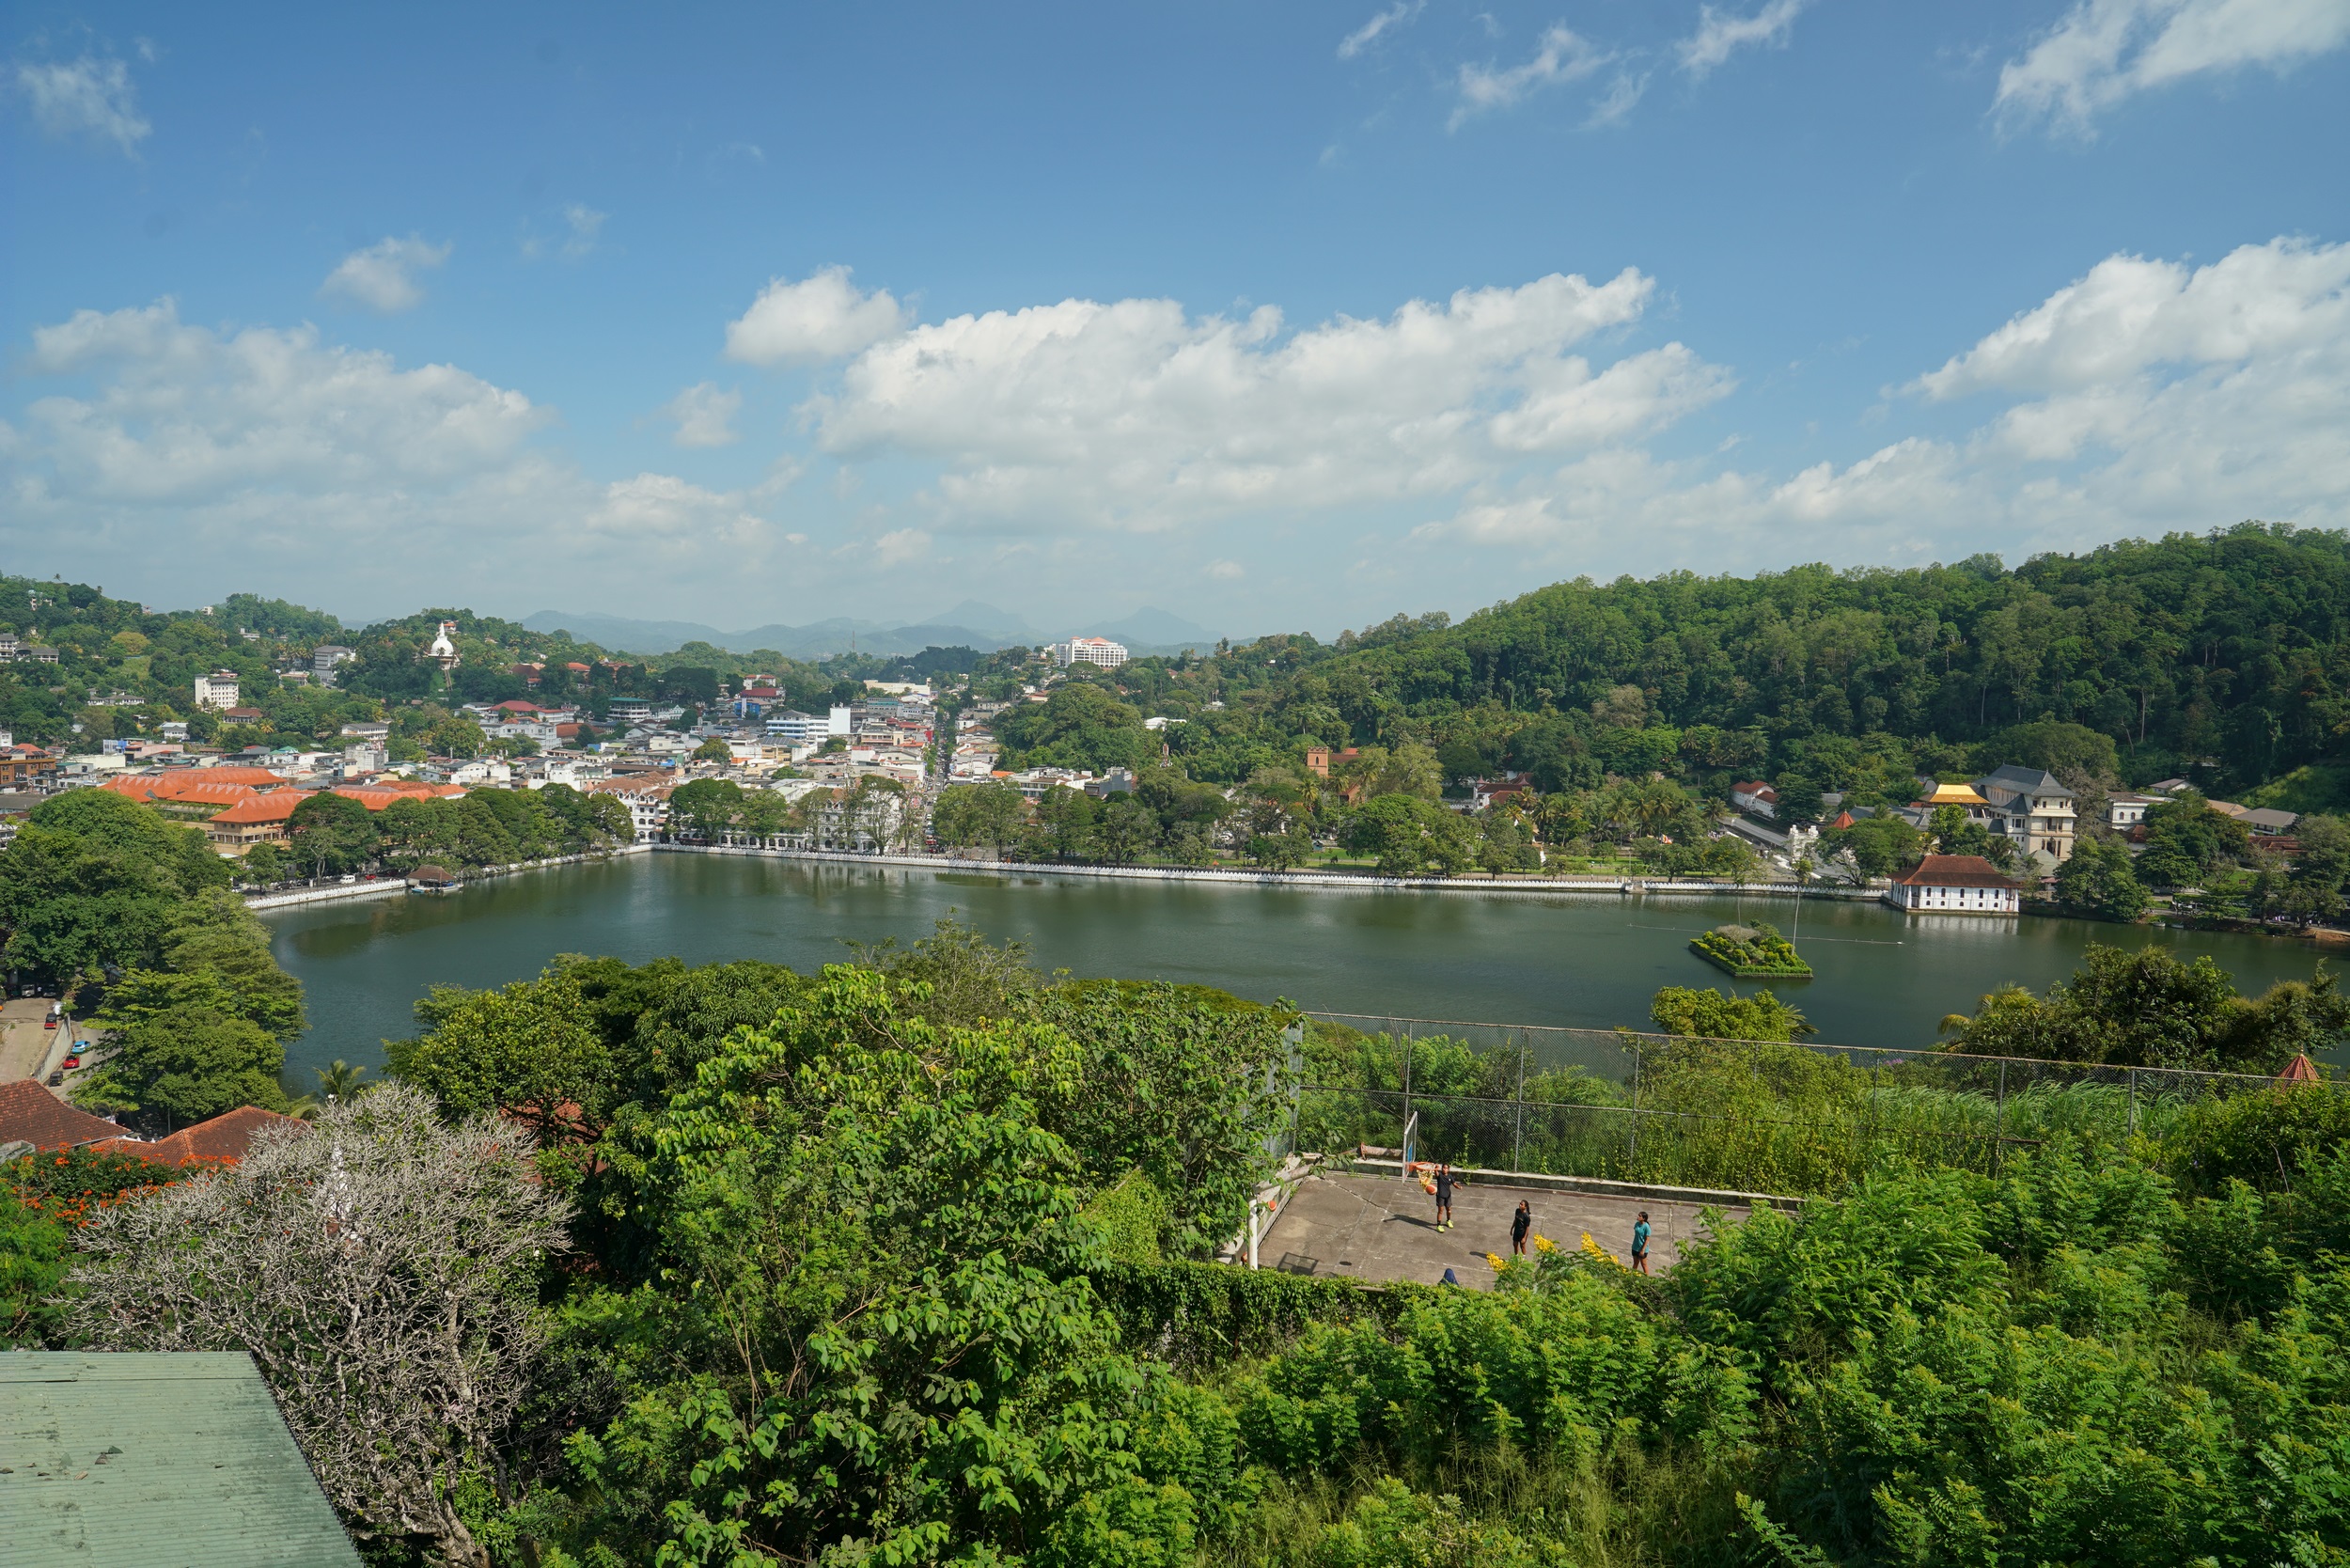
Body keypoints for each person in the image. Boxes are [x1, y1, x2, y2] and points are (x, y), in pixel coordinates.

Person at [1434, 1163, 1457, 1231]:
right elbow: (1436, 1173)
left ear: (1448, 1169)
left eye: (1446, 1168)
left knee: (1449, 1210)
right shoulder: (1440, 1175)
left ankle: (1448, 1220)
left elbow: (1454, 1183)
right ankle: (1438, 1225)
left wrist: (1458, 1187)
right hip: (1440, 1196)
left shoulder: (1450, 1176)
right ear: (1442, 1169)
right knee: (1440, 1211)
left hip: (1448, 1196)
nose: (1445, 1169)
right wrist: (1435, 1169)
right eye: (1444, 1168)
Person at [1631, 1211, 1651, 1276]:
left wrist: (1643, 1250)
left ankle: (1647, 1279)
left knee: (1644, 1265)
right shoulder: (1636, 1224)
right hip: (1635, 1247)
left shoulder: (1646, 1227)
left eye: (1640, 1216)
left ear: (1644, 1218)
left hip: (1642, 1249)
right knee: (1635, 1263)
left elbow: (1647, 1239)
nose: (1638, 1217)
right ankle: (1632, 1277)